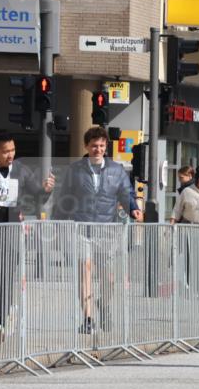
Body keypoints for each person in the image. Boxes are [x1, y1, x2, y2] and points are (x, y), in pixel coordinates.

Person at [52, 127, 143, 334]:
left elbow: (125, 193)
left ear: (106, 147)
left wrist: (133, 209)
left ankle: (104, 304)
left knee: (108, 279)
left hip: (106, 231)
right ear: (86, 146)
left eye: (102, 146)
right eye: (94, 145)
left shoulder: (116, 170)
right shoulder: (74, 170)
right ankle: (88, 318)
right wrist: (57, 223)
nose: (98, 149)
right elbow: (64, 199)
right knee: (85, 271)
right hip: (81, 228)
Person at [0, 131, 55, 343]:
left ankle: (0, 322)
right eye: (5, 151)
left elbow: (37, 194)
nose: (10, 155)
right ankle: (6, 309)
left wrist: (47, 190)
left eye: (12, 150)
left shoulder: (21, 170)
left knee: (5, 275)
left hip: (12, 233)